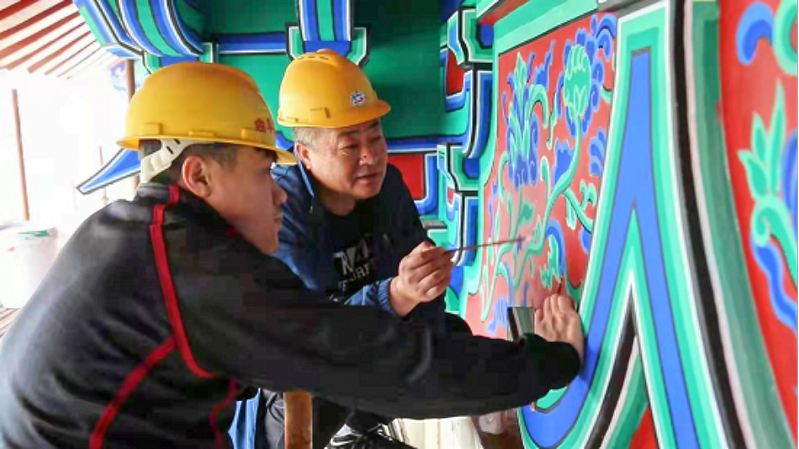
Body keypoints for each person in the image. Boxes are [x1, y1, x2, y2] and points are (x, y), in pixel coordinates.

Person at [0, 62, 584, 449]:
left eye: (375, 138)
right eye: (263, 172)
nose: (277, 193)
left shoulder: (135, 236)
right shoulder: (191, 269)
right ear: (199, 176)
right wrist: (551, 362)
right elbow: (372, 362)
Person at [230, 49, 477, 449]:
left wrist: (426, 300)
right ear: (305, 155)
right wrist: (396, 295)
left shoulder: (389, 188)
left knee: (456, 341)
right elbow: (315, 336)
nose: (371, 156)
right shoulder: (280, 213)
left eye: (376, 137)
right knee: (314, 390)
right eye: (350, 145)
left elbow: (425, 304)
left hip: (371, 358)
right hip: (296, 389)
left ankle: (359, 429)